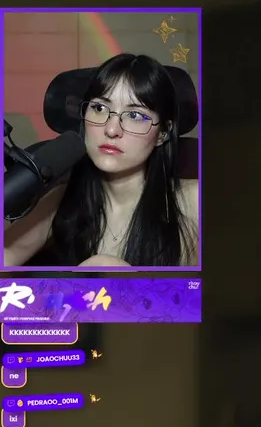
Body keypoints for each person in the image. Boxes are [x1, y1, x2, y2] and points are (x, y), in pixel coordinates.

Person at [3, 53, 198, 268]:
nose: (111, 129)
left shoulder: (195, 200)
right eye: (99, 108)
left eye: (134, 115)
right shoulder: (61, 199)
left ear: (162, 133)